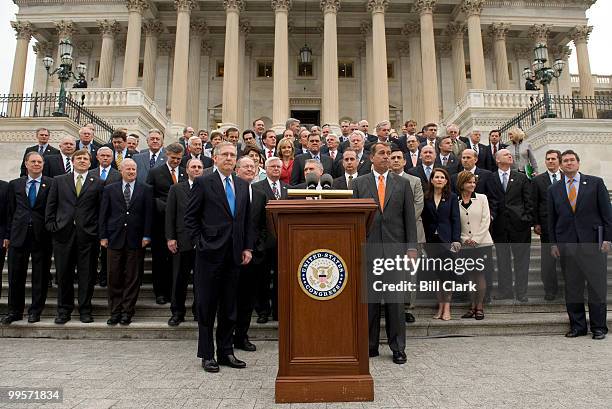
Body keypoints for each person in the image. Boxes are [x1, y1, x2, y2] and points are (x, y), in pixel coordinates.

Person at [184, 141, 255, 373]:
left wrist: (247, 247)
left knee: (230, 306)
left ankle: (226, 352)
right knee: (207, 306)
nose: (228, 158)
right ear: (214, 158)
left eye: (232, 155)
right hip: (209, 255)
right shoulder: (204, 182)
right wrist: (200, 243)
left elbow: (245, 221)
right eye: (224, 154)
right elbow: (190, 218)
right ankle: (207, 354)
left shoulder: (243, 185)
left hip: (234, 254)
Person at [352, 142, 417, 365]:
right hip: (368, 251)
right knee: (369, 302)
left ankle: (398, 347)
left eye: (389, 154)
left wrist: (411, 247)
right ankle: (370, 345)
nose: (387, 157)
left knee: (395, 303)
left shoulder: (403, 184)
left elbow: (409, 218)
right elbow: (355, 219)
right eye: (382, 154)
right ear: (371, 158)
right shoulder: (359, 183)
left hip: (395, 251)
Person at [548, 150, 611, 340]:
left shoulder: (595, 183)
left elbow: (607, 214)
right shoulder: (554, 189)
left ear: (578, 163)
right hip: (568, 245)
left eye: (571, 160)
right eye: (565, 161)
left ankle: (599, 327)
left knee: (596, 287)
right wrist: (553, 244)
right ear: (560, 165)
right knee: (573, 288)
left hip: (593, 244)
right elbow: (551, 219)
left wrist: (607, 239)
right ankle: (578, 326)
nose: (568, 163)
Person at [45, 149, 104, 324]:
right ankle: (64, 310)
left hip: (88, 236)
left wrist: (97, 232)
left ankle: (85, 309)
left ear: (90, 162)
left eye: (85, 158)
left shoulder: (98, 183)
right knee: (64, 274)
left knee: (87, 275)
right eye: (79, 158)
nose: (82, 161)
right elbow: (51, 205)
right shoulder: (59, 180)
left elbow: (101, 210)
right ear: (73, 161)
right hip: (63, 235)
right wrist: (52, 226)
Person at [99, 158, 153, 326]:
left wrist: (147, 235)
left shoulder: (146, 189)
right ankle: (114, 312)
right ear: (121, 171)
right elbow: (104, 214)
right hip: (114, 238)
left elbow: (148, 215)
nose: (131, 172)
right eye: (128, 169)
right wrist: (103, 236)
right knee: (113, 276)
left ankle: (127, 312)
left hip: (136, 239)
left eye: (133, 169)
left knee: (132, 277)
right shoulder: (109, 189)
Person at [2, 152, 54, 325]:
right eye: (33, 161)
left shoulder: (51, 184)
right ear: (26, 164)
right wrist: (7, 235)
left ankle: (35, 311)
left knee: (40, 276)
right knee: (15, 276)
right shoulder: (15, 184)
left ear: (43, 164)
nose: (36, 164)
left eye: (39, 162)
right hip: (18, 235)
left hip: (42, 236)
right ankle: (14, 311)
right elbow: (10, 212)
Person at [486, 149, 533, 302]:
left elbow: (529, 200)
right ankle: (505, 291)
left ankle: (522, 292)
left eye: (510, 155)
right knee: (502, 260)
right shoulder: (490, 178)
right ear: (498, 160)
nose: (510, 156)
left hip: (520, 226)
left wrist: (526, 218)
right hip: (500, 227)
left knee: (522, 261)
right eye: (506, 155)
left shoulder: (521, 177)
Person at [233, 156, 267, 351]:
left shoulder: (260, 194)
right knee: (230, 299)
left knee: (247, 300)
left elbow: (263, 225)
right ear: (237, 170)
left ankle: (242, 336)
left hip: (253, 257)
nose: (249, 169)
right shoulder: (229, 191)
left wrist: (257, 247)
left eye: (253, 167)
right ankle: (227, 336)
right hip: (231, 255)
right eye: (245, 166)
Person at [165, 158, 204, 326]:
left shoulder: (208, 188)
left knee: (201, 281)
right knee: (179, 279)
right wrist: (170, 237)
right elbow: (170, 214)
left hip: (203, 242)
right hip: (182, 241)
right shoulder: (176, 189)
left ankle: (199, 312)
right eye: (193, 167)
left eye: (199, 167)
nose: (196, 169)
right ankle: (177, 312)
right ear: (186, 170)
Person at [146, 142, 186, 305]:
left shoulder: (184, 173)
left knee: (176, 260)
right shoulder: (155, 172)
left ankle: (173, 291)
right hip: (160, 223)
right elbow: (149, 197)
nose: (176, 161)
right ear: (166, 155)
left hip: (180, 225)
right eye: (173, 158)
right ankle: (160, 292)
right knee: (160, 260)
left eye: (179, 158)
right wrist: (165, 206)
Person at [389, 148, 424, 323]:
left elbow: (419, 204)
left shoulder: (415, 181)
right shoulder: (383, 180)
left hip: (413, 232)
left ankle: (408, 308)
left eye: (398, 158)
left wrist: (404, 223)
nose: (395, 160)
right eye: (392, 157)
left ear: (405, 161)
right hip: (390, 233)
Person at [421, 168, 461, 321]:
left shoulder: (452, 197)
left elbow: (455, 219)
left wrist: (456, 239)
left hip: (447, 241)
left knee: (447, 276)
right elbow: (424, 220)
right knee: (437, 277)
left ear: (446, 181)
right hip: (431, 241)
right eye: (436, 177)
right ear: (431, 180)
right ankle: (440, 306)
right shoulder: (426, 197)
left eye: (442, 177)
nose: (438, 179)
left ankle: (447, 308)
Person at [252, 157, 289, 323]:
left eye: (278, 167)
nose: (276, 169)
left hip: (284, 242)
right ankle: (263, 311)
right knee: (262, 279)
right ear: (265, 169)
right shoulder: (256, 188)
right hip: (264, 243)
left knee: (281, 279)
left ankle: (279, 311)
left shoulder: (288, 189)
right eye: (272, 166)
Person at [456, 171, 493, 321]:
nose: (472, 185)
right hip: (465, 245)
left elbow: (486, 220)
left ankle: (480, 307)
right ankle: (472, 306)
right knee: (470, 277)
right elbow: (455, 223)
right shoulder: (455, 200)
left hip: (482, 243)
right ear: (461, 184)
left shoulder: (482, 198)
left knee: (480, 275)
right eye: (469, 182)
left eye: (473, 182)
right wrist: (464, 238)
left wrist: (476, 238)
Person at [532, 150, 563, 301]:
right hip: (547, 225)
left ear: (559, 161)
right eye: (548, 159)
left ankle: (572, 289)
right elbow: (534, 203)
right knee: (548, 261)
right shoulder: (538, 180)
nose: (550, 161)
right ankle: (550, 290)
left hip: (567, 226)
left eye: (553, 159)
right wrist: (536, 223)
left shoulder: (568, 177)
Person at [88, 147, 121, 287]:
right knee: (92, 249)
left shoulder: (118, 175)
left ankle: (104, 275)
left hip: (110, 216)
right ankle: (92, 274)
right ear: (97, 157)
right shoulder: (90, 173)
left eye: (108, 156)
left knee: (107, 249)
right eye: (103, 156)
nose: (105, 158)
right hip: (92, 216)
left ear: (112, 158)